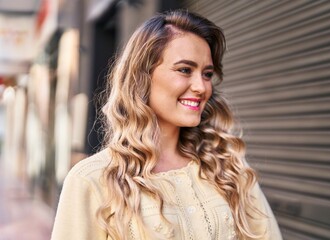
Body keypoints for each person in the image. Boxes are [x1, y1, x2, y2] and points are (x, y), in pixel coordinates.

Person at [51, 9, 282, 240]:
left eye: (207, 74)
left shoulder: (228, 168)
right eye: (184, 70)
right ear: (142, 76)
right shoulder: (93, 179)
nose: (201, 87)